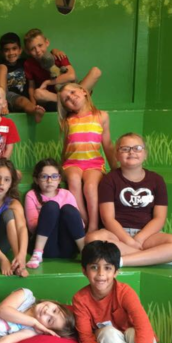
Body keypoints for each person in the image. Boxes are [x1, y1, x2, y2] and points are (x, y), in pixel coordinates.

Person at [85, 133, 172, 266]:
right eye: (125, 149)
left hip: (148, 235)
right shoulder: (109, 179)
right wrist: (129, 241)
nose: (131, 152)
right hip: (117, 235)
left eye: (137, 148)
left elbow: (159, 218)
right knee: (92, 239)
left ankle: (122, 260)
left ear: (145, 154)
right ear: (117, 155)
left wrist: (139, 238)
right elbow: (108, 219)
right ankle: (157, 257)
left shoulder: (156, 180)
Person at [57, 82, 117, 232]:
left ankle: (94, 225)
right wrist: (60, 168)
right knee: (74, 180)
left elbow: (108, 145)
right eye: (66, 99)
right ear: (67, 107)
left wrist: (116, 170)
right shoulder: (68, 121)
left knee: (90, 186)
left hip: (94, 164)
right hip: (72, 163)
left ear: (83, 91)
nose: (71, 98)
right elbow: (66, 146)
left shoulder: (101, 116)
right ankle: (83, 219)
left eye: (72, 92)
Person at [24, 158, 85, 269]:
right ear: (36, 180)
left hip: (68, 248)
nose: (50, 180)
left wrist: (60, 216)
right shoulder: (31, 195)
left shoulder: (67, 194)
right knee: (51, 207)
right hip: (46, 247)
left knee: (68, 210)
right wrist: (51, 215)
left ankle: (85, 253)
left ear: (59, 179)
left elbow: (80, 224)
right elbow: (32, 227)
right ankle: (37, 255)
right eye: (44, 176)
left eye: (54, 176)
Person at [23, 28, 101, 112]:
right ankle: (71, 102)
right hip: (54, 98)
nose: (37, 51)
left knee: (96, 71)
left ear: (47, 43)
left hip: (71, 92)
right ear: (28, 51)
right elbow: (31, 87)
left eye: (40, 45)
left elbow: (71, 76)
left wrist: (48, 82)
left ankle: (73, 101)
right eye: (32, 49)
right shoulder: (29, 64)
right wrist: (33, 105)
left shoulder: (58, 56)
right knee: (37, 93)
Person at [0, 32, 44, 122]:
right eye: (7, 50)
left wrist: (55, 51)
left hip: (24, 100)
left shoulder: (25, 63)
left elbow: (42, 57)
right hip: (7, 98)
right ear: (1, 52)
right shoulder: (1, 66)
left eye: (14, 49)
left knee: (23, 100)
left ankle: (35, 111)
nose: (11, 53)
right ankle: (2, 103)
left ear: (20, 50)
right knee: (2, 68)